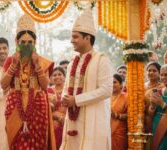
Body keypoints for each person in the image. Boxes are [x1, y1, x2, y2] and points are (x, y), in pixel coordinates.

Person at [60, 8, 113, 150]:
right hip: (72, 120)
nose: (72, 41)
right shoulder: (72, 63)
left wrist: (76, 100)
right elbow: (66, 89)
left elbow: (107, 90)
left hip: (93, 120)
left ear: (87, 38)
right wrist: (64, 98)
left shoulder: (101, 60)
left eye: (75, 37)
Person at [1, 14, 56, 149]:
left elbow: (45, 85)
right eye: (23, 42)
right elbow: (3, 85)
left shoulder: (41, 61)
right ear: (16, 42)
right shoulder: (10, 60)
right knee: (16, 141)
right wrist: (14, 65)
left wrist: (37, 65)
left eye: (30, 42)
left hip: (37, 104)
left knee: (37, 142)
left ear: (35, 43)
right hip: (15, 103)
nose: (26, 45)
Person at [47, 67, 67, 149]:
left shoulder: (69, 90)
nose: (57, 77)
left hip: (68, 123)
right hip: (53, 125)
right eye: (54, 75)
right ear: (51, 78)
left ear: (65, 77)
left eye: (60, 74)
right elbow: (45, 109)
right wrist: (58, 117)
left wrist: (64, 118)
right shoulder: (47, 91)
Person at [144, 62, 163, 133]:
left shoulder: (163, 87)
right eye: (149, 70)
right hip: (140, 119)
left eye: (154, 71)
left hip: (156, 118)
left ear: (159, 73)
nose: (151, 72)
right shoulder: (142, 86)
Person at [111, 74, 127, 150]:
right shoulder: (105, 98)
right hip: (105, 132)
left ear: (121, 85)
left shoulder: (126, 97)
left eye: (114, 82)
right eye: (110, 82)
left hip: (119, 134)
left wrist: (117, 116)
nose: (112, 85)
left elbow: (131, 115)